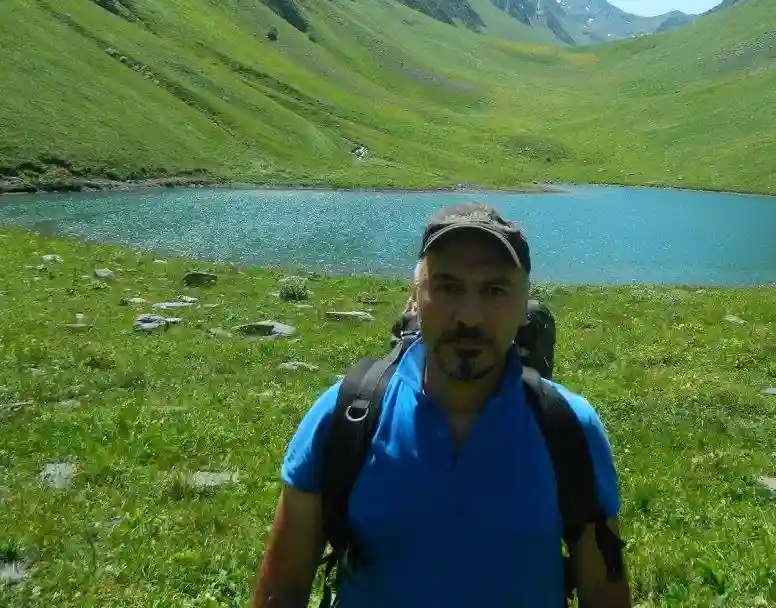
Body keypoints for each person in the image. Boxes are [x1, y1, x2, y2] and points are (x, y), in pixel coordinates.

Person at [251, 203, 630, 608]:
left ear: (525, 306)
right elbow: (283, 589)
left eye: (495, 291)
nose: (469, 316)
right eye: (448, 287)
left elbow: (603, 593)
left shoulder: (568, 428)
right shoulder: (345, 417)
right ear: (415, 298)